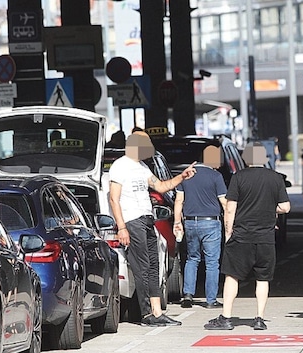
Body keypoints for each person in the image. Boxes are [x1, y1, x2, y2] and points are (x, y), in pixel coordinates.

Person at [109, 131, 196, 327]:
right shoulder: (120, 166)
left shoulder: (142, 167)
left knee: (154, 266)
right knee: (142, 267)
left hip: (148, 220)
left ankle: (157, 312)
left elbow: (161, 187)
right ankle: (146, 313)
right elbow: (114, 198)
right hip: (132, 220)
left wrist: (182, 177)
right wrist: (121, 227)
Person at [204, 142, 291, 331]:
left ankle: (226, 317)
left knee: (232, 276)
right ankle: (259, 318)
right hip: (266, 238)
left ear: (246, 158)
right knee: (262, 278)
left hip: (242, 236)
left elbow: (230, 207)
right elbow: (285, 207)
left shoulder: (238, 177)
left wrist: (228, 233)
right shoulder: (275, 178)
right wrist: (269, 209)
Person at [173, 145, 227, 309]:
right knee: (212, 262)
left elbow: (178, 201)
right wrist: (230, 223)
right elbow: (224, 202)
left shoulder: (187, 175)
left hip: (190, 222)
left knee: (192, 258)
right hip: (211, 223)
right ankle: (211, 300)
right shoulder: (216, 176)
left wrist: (177, 222)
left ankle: (188, 295)